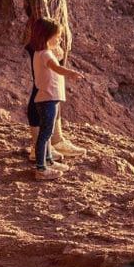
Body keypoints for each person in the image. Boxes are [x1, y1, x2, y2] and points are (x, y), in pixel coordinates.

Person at [22, 0, 84, 161]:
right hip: (43, 40)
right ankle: (37, 147)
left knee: (53, 88)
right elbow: (40, 10)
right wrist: (50, 43)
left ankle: (55, 139)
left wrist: (62, 37)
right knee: (41, 90)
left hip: (55, 37)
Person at [27, 19, 82, 177]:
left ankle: (48, 161)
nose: (59, 40)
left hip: (50, 98)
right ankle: (41, 168)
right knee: (45, 134)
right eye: (57, 37)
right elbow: (56, 68)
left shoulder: (43, 53)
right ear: (46, 36)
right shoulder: (45, 54)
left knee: (48, 132)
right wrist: (71, 73)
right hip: (47, 99)